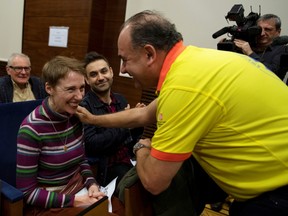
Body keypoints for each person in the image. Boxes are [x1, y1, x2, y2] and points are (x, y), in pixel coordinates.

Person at [76, 10, 288, 216]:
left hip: (277, 194)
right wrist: (94, 119)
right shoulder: (194, 63)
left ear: (149, 54)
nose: (122, 69)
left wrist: (140, 147)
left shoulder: (183, 88)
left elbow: (153, 181)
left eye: (125, 59)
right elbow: (143, 114)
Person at [16, 56, 106, 216]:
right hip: (49, 203)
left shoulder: (76, 117)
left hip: (78, 191)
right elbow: (28, 193)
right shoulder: (31, 129)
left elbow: (82, 161)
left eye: (82, 88)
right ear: (49, 88)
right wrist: (76, 201)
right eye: (71, 89)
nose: (79, 97)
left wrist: (92, 184)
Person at [81, 51, 143, 186]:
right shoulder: (84, 106)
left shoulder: (120, 100)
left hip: (129, 159)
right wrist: (126, 124)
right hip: (106, 167)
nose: (101, 77)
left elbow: (130, 140)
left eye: (104, 71)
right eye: (93, 74)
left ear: (111, 72)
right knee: (140, 186)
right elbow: (92, 144)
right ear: (86, 80)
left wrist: (138, 120)